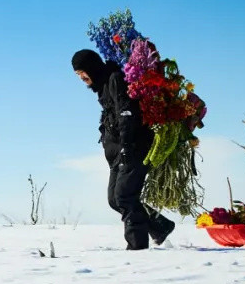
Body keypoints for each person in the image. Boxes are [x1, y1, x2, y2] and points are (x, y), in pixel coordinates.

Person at [72, 49, 176, 250]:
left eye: (82, 72)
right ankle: (159, 226)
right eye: (78, 75)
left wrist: (127, 147)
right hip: (116, 154)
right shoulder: (102, 86)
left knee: (125, 197)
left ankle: (137, 247)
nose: (81, 78)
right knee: (114, 199)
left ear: (92, 67)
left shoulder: (115, 80)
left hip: (132, 148)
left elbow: (126, 113)